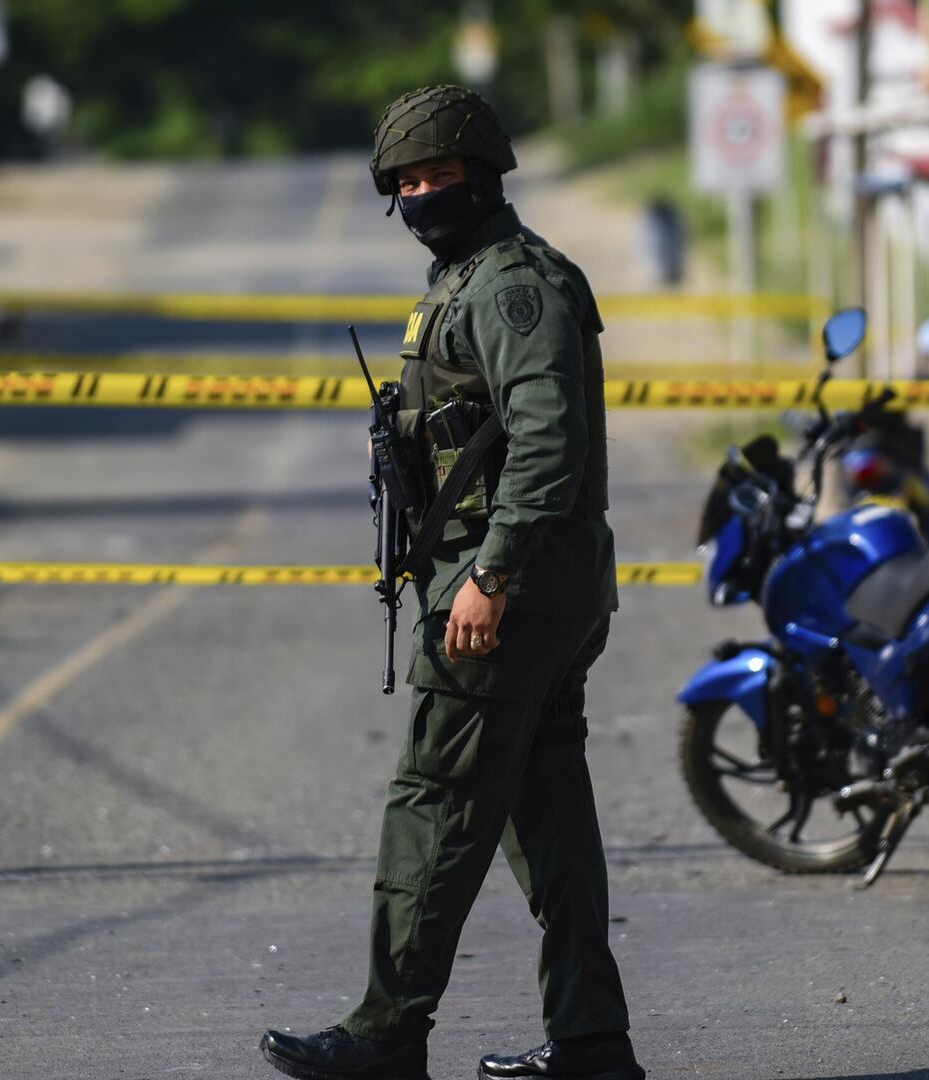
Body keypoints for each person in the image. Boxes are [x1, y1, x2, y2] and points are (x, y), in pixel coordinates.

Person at [260, 85, 642, 1080]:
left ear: (484, 174)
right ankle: (592, 1042)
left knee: (434, 799)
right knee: (547, 813)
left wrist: (491, 573)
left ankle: (387, 1033)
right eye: (407, 183)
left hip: (507, 590)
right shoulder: (465, 280)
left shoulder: (514, 288)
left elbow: (549, 445)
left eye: (439, 175)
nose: (423, 194)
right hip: (530, 584)